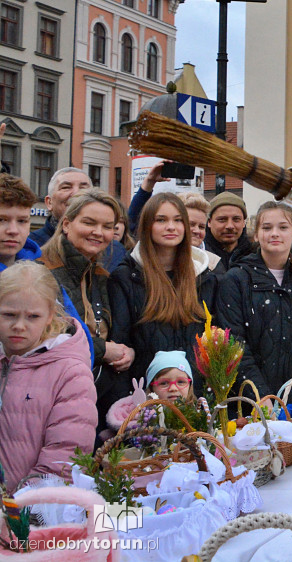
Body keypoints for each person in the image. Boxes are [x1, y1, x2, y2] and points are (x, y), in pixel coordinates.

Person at [219, 201, 292, 404]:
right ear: (256, 234)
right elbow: (236, 345)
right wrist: (260, 395)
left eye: (283, 227)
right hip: (250, 402)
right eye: (267, 227)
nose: (275, 234)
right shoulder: (236, 279)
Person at [107, 193, 218, 395]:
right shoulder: (126, 277)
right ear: (147, 225)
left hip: (194, 396)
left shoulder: (204, 278)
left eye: (177, 220)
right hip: (144, 396)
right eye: (161, 220)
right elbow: (122, 343)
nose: (171, 227)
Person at [0, 261, 96, 492]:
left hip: (30, 514)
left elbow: (66, 456)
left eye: (33, 317)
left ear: (50, 315)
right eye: (9, 314)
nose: (19, 326)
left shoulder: (70, 373)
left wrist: (19, 507)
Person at [39, 188, 131, 426]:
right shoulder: (41, 271)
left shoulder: (99, 272)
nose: (98, 232)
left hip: (91, 394)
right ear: (67, 224)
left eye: (107, 226)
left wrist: (125, 351)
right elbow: (46, 334)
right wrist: (103, 350)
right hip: (51, 398)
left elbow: (105, 329)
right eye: (89, 223)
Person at [0, 174, 89, 358]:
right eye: (2, 220)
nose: (13, 230)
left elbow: (80, 340)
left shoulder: (42, 274)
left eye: (22, 221)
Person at [31, 167, 126, 273]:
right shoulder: (30, 247)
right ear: (49, 202)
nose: (76, 193)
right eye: (66, 187)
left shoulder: (116, 251)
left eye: (84, 188)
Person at [205, 192, 252, 267]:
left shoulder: (256, 258)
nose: (230, 226)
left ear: (244, 222)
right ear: (209, 222)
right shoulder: (200, 258)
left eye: (236, 219)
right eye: (222, 219)